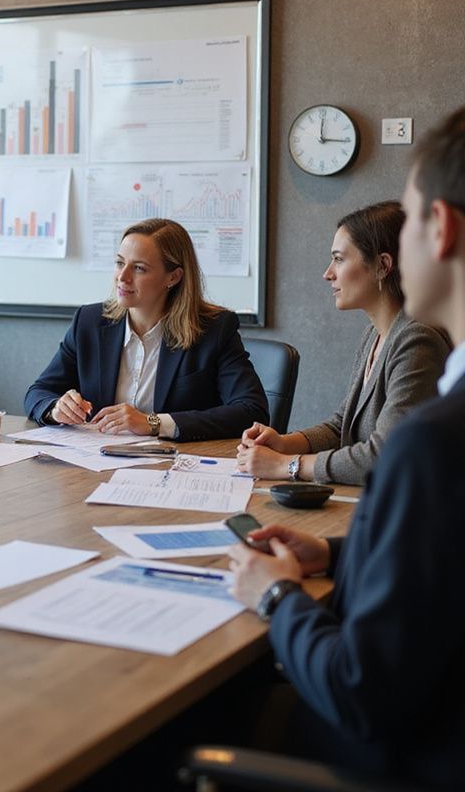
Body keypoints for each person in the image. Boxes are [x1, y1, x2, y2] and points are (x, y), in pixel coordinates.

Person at [227, 109, 465, 788]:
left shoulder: (435, 436)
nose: (328, 272)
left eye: (411, 215)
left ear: (439, 230)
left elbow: (361, 690)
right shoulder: (387, 347)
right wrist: (335, 551)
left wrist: (276, 598)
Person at [236, 201, 450, 484]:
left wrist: (287, 465)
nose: (328, 273)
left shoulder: (417, 340)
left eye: (338, 259)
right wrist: (285, 443)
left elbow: (386, 455)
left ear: (383, 265)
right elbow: (342, 426)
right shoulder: (375, 333)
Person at [24, 218, 267, 441]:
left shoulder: (214, 330)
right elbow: (39, 392)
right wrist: (56, 407)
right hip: (95, 464)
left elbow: (251, 411)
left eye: (139, 268)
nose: (123, 276)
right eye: (120, 263)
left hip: (176, 469)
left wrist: (153, 422)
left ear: (173, 277)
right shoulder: (89, 322)